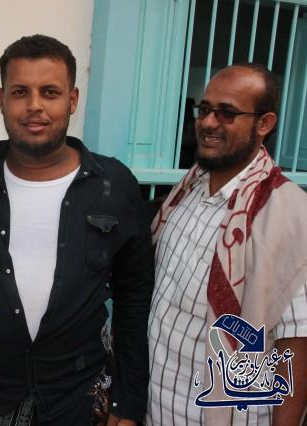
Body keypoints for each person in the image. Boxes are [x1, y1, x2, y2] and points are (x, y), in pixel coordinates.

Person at [0, 35, 153, 426]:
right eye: (20, 92)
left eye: (50, 92)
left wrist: (129, 403)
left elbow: (133, 298)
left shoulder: (114, 184)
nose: (35, 106)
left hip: (77, 397)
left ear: (72, 100)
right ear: (1, 99)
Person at [148, 63, 307, 425]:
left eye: (227, 113)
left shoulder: (290, 215)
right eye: (204, 109)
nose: (208, 122)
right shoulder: (186, 192)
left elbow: (297, 346)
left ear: (264, 123)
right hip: (157, 407)